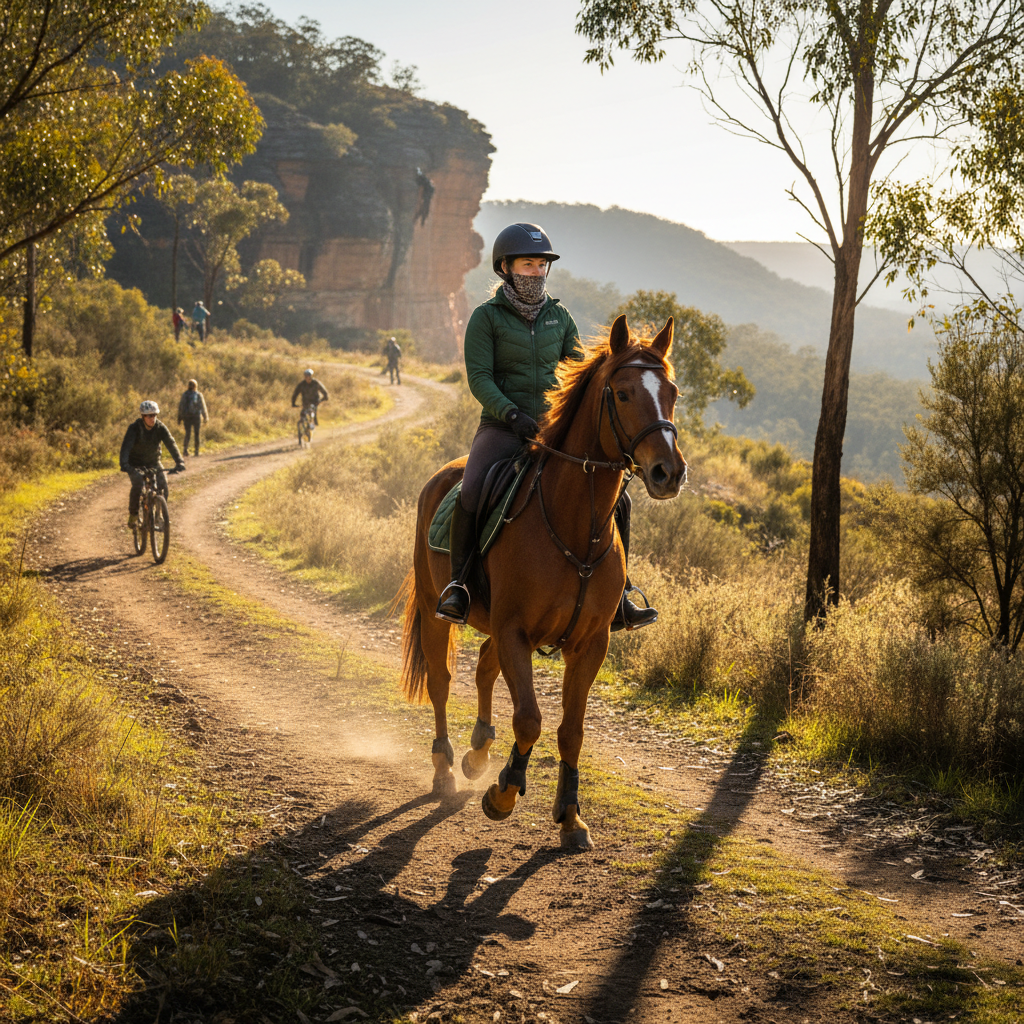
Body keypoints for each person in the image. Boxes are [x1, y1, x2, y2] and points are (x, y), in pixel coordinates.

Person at [435, 222, 658, 633]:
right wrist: (510, 414)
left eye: (541, 264)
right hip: (503, 428)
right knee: (473, 488)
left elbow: (578, 373)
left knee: (618, 500)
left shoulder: (560, 317)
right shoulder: (486, 318)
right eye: (527, 264)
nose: (536, 271)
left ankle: (621, 593)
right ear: (506, 268)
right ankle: (459, 586)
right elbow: (480, 378)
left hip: (554, 430)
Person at [119, 400, 185, 528]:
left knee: (163, 485)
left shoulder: (160, 427)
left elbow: (170, 443)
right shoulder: (134, 428)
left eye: (154, 415)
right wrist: (124, 464)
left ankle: (158, 515)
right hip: (135, 464)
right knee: (138, 484)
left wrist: (179, 461)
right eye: (149, 416)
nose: (152, 418)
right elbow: (125, 447)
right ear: (143, 416)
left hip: (153, 462)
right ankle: (133, 515)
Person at [177, 378, 209, 456]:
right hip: (196, 417)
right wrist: (205, 417)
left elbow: (181, 406)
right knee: (196, 434)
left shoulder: (185, 395)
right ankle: (196, 451)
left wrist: (179, 418)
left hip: (187, 417)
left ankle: (185, 450)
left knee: (187, 434)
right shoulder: (198, 395)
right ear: (196, 386)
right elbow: (202, 406)